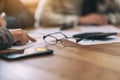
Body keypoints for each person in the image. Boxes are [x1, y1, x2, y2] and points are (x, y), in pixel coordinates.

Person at [39, 0, 120, 26]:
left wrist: (107, 19)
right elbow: (41, 17)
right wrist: (79, 20)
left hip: (98, 38)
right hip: (61, 39)